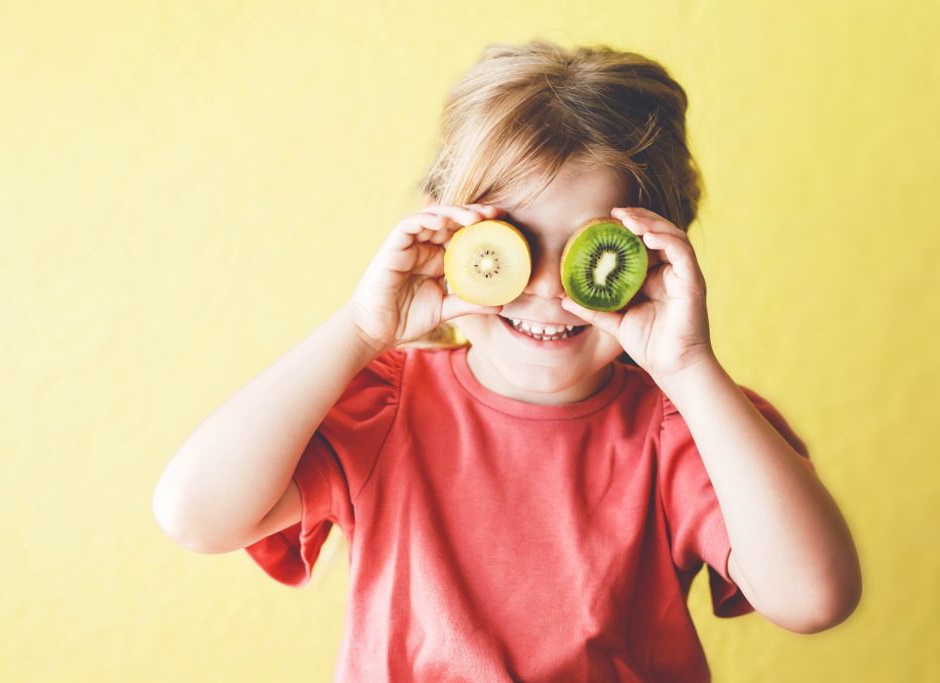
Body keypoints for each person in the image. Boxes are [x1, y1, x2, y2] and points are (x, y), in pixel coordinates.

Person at [153, 40, 861, 682]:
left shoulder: (684, 427)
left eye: (591, 254)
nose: (550, 288)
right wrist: (364, 329)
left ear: (656, 257)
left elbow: (815, 595)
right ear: (444, 233)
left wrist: (689, 367)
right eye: (512, 241)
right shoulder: (384, 405)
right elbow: (194, 514)